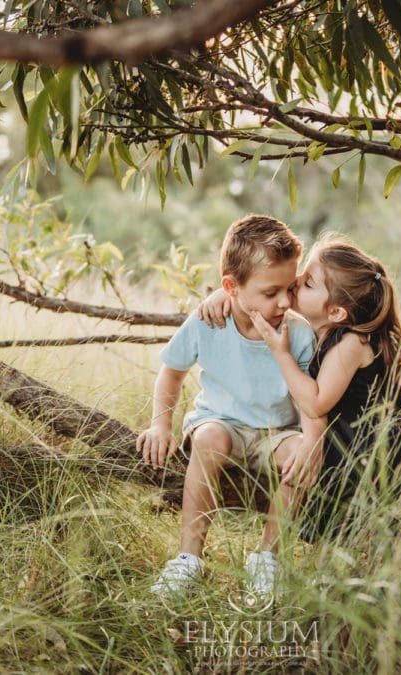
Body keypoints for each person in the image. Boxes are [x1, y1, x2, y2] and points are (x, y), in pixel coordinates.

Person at [137, 214, 323, 598]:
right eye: (270, 293)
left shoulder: (298, 332)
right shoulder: (208, 323)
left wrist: (309, 443)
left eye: (289, 289)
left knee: (298, 453)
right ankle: (189, 559)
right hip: (221, 423)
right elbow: (171, 373)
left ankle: (267, 559)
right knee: (209, 439)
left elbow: (307, 399)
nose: (284, 301)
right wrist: (160, 425)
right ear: (230, 287)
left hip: (277, 431)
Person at [199, 233, 401, 542]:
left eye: (308, 283)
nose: (295, 281)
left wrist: (280, 353)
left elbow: (316, 403)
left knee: (363, 532)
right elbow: (256, 286)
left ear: (335, 312)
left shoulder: (351, 343)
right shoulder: (321, 328)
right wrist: (224, 296)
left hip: (374, 447)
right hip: (348, 438)